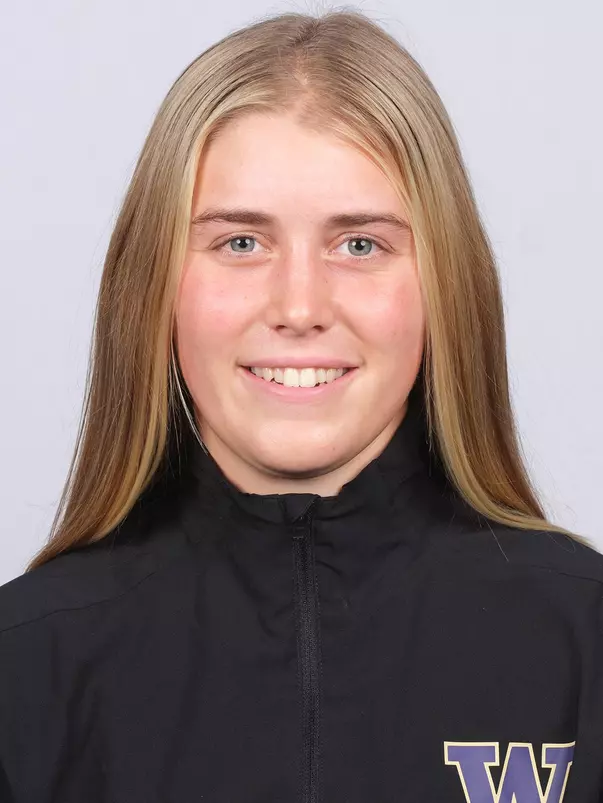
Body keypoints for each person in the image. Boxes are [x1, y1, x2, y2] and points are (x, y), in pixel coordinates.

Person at [0, 8, 601, 803]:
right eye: (240, 242)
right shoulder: (26, 663)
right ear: (153, 286)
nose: (298, 305)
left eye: (360, 244)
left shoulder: (581, 642)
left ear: (443, 286)